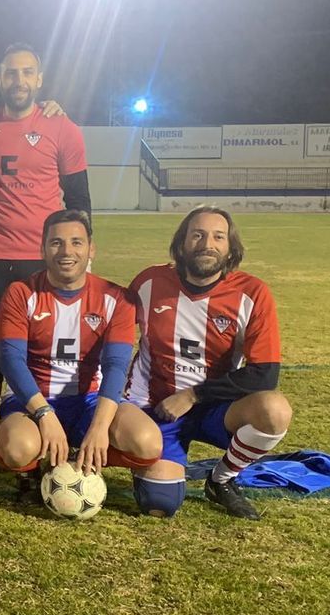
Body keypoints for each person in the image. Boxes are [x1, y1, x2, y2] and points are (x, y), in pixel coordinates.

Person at [0, 43, 91, 436]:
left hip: (43, 262)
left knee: (42, 351)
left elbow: (79, 202)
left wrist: (81, 257)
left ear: (39, 79)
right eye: (11, 73)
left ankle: (41, 428)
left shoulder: (63, 128)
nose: (19, 80)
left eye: (27, 72)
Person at [124, 206, 292, 520]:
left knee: (274, 410)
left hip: (216, 408)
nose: (207, 244)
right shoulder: (149, 282)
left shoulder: (252, 293)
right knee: (159, 505)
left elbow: (265, 375)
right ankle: (146, 459)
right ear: (182, 243)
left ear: (230, 248)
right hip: (156, 407)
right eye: (197, 235)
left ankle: (221, 479)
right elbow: (111, 333)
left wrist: (192, 395)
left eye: (218, 237)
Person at [0, 210, 161, 496]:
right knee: (18, 450)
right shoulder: (21, 293)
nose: (66, 251)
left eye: (76, 242)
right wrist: (44, 413)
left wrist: (99, 428)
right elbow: (11, 362)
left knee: (147, 442)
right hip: (32, 400)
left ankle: (81, 458)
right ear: (42, 249)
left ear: (91, 248)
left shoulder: (115, 298)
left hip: (90, 399)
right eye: (56, 243)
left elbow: (116, 366)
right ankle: (32, 466)